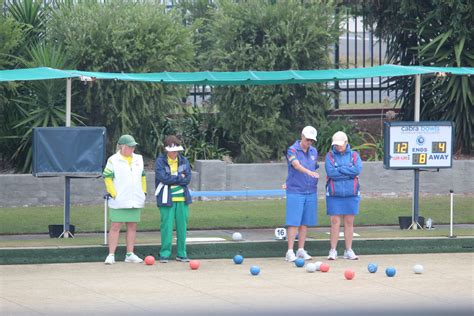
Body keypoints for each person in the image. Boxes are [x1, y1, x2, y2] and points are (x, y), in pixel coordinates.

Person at [103, 134, 146, 264]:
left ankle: (130, 254)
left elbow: (142, 176)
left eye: (133, 147)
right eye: (129, 147)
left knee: (132, 226)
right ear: (122, 147)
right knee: (115, 225)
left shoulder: (139, 159)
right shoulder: (113, 160)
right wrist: (113, 193)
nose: (132, 149)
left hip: (135, 198)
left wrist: (143, 191)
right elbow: (107, 177)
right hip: (119, 198)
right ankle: (111, 254)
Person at [325, 131, 362, 260]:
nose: (338, 147)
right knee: (334, 222)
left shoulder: (354, 155)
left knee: (349, 222)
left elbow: (357, 170)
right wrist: (348, 172)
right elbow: (331, 173)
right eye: (336, 145)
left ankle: (348, 250)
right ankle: (333, 250)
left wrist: (340, 169)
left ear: (346, 143)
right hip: (334, 194)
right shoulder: (329, 156)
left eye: (340, 145)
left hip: (351, 193)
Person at [284, 126, 319, 262]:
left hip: (311, 190)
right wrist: (309, 172)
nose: (309, 142)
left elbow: (314, 166)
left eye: (311, 140)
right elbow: (296, 165)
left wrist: (313, 174)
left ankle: (300, 250)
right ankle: (289, 251)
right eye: (307, 139)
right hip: (295, 190)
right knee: (293, 222)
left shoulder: (313, 151)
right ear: (302, 136)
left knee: (305, 222)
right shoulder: (292, 149)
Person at [155, 135, 192, 263]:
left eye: (176, 150)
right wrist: (178, 178)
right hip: (166, 199)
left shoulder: (184, 160)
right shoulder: (160, 161)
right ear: (166, 150)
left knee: (182, 227)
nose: (174, 153)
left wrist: (174, 178)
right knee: (167, 226)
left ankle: (182, 254)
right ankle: (165, 254)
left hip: (182, 198)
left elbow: (187, 178)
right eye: (172, 150)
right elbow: (163, 178)